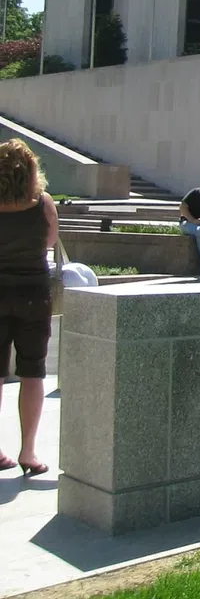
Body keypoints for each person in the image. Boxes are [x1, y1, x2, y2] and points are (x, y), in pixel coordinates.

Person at [0, 139, 58, 476]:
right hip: (33, 293)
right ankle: (29, 452)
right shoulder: (43, 203)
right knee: (32, 371)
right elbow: (49, 241)